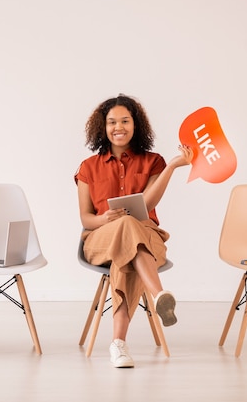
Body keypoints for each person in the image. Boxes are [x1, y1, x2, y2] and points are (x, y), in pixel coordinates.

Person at [74, 94, 193, 368]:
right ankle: (158, 294)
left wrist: (173, 165)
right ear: (102, 127)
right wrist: (105, 218)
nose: (119, 127)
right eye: (112, 122)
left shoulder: (153, 162)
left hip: (147, 236)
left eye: (125, 121)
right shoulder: (88, 167)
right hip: (100, 240)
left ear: (135, 124)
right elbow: (85, 218)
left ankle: (119, 344)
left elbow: (148, 203)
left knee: (126, 253)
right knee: (125, 227)